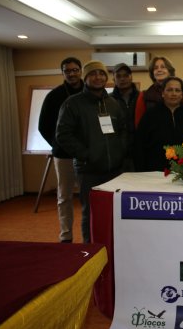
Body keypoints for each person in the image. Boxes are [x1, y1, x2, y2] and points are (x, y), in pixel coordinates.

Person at [56, 60, 127, 243]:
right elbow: (63, 135)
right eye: (93, 74)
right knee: (90, 212)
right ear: (85, 78)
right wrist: (86, 155)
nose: (98, 77)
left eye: (101, 73)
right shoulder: (73, 104)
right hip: (89, 170)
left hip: (114, 170)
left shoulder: (113, 103)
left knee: (114, 210)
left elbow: (123, 130)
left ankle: (112, 245)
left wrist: (119, 152)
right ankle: (90, 249)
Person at [38, 56, 84, 243]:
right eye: (67, 71)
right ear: (62, 73)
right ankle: (66, 235)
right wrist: (57, 144)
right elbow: (43, 126)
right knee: (64, 196)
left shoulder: (89, 92)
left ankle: (89, 234)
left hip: (86, 155)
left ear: (81, 71)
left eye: (75, 70)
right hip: (63, 155)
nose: (72, 74)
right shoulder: (54, 96)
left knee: (88, 197)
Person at [133, 77, 183, 172]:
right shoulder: (150, 115)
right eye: (169, 90)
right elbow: (139, 146)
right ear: (163, 93)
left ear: (182, 94)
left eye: (177, 90)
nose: (173, 94)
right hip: (155, 172)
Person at [134, 56, 183, 128]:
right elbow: (139, 124)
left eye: (163, 67)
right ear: (152, 73)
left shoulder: (182, 94)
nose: (159, 70)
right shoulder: (144, 95)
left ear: (170, 71)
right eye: (155, 68)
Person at [110, 63, 140, 171]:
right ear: (113, 78)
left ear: (131, 77)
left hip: (138, 151)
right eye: (118, 76)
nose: (122, 79)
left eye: (126, 75)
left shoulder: (141, 97)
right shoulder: (108, 101)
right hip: (116, 154)